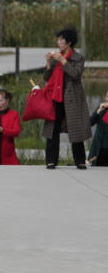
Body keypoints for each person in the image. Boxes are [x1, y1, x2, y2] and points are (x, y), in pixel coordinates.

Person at [43, 27, 90, 169]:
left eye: (61, 39)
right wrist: (49, 63)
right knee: (52, 130)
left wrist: (63, 60)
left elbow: (75, 74)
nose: (58, 42)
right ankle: (51, 160)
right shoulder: (57, 57)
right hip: (55, 98)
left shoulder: (78, 58)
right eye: (58, 39)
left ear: (69, 42)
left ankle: (80, 160)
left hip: (72, 99)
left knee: (76, 130)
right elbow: (47, 79)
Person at [88, 90, 108, 166]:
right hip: (100, 148)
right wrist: (98, 111)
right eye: (107, 96)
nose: (107, 99)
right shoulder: (102, 109)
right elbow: (90, 122)